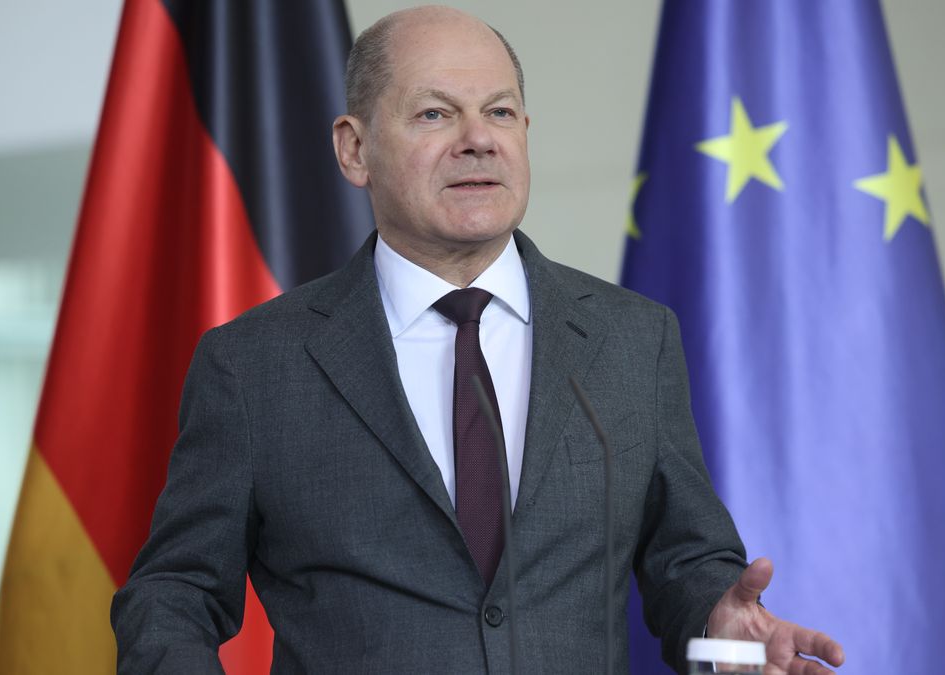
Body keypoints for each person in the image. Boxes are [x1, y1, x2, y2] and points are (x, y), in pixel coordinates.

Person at [112, 6, 845, 674]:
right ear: (355, 149)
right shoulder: (254, 365)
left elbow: (685, 557)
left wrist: (720, 622)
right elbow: (173, 591)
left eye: (499, 111)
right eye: (435, 113)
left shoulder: (632, 338)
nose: (477, 140)